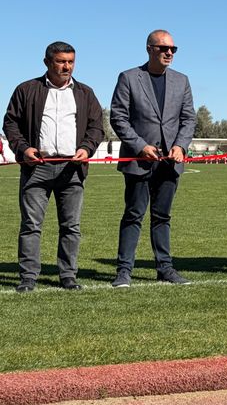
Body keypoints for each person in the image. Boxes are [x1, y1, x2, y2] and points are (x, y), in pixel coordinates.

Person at [3, 41, 104, 292]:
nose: (66, 66)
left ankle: (68, 275)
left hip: (72, 168)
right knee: (31, 225)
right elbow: (10, 123)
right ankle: (28, 278)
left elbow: (96, 127)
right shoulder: (27, 89)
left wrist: (87, 148)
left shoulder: (85, 93)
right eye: (61, 61)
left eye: (70, 62)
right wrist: (24, 149)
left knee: (71, 226)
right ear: (48, 62)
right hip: (37, 168)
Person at [109, 29, 197, 287]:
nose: (169, 52)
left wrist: (181, 146)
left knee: (163, 217)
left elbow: (188, 119)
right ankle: (124, 271)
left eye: (173, 49)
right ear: (149, 49)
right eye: (163, 48)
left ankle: (165, 268)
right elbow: (119, 117)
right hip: (139, 161)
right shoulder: (128, 78)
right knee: (133, 214)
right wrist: (139, 146)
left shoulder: (182, 81)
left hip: (171, 162)